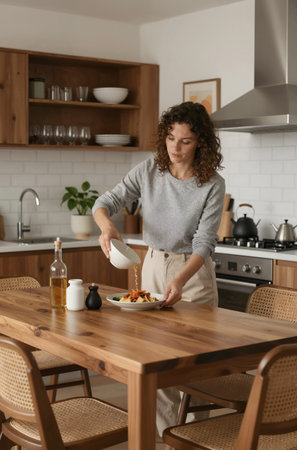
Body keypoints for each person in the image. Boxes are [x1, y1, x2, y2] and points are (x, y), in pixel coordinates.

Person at [92, 101, 225, 433]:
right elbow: (104, 202)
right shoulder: (149, 170)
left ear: (201, 143)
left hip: (192, 274)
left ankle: (195, 438)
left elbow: (204, 243)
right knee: (154, 360)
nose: (175, 149)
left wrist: (180, 280)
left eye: (185, 141)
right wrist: (106, 226)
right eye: (170, 139)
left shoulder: (212, 183)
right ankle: (166, 438)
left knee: (195, 364)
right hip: (151, 265)